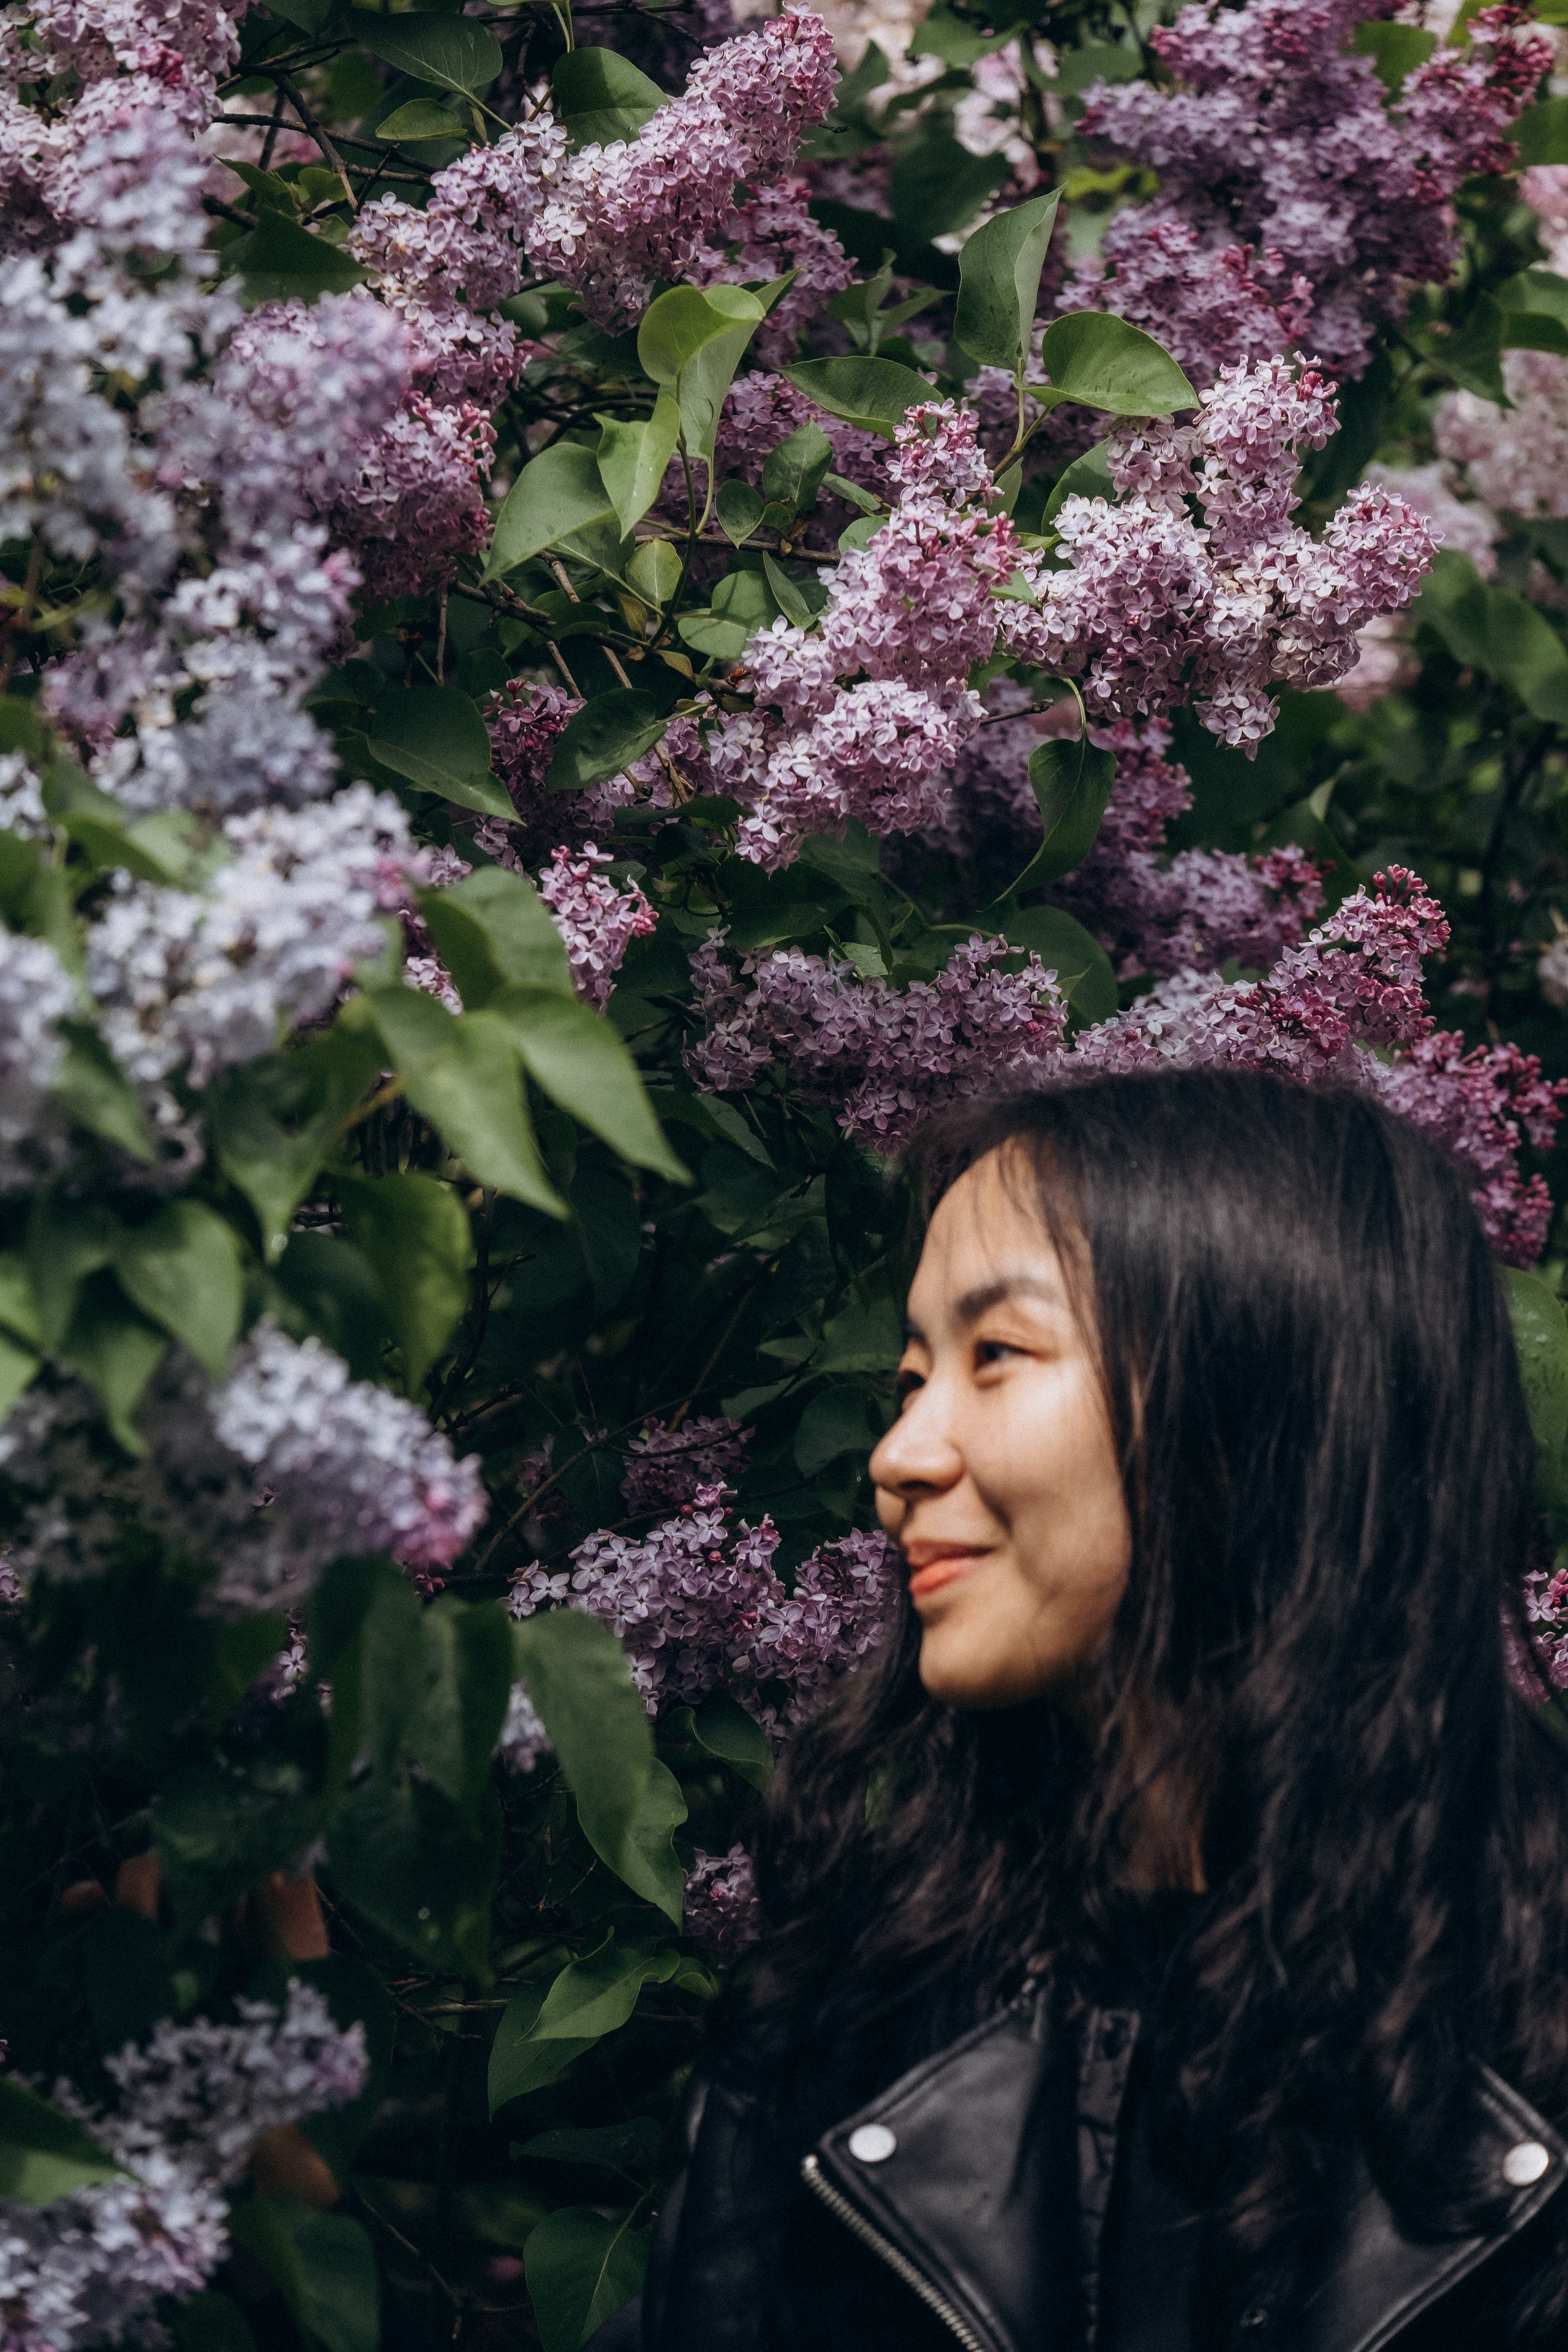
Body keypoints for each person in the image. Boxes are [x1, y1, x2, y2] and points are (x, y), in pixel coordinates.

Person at [590, 1070, 1568, 2351]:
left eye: (994, 1356)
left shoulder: (1528, 2028)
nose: (897, 1457)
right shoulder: (844, 2021)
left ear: (1256, 1386)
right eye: (908, 1374)